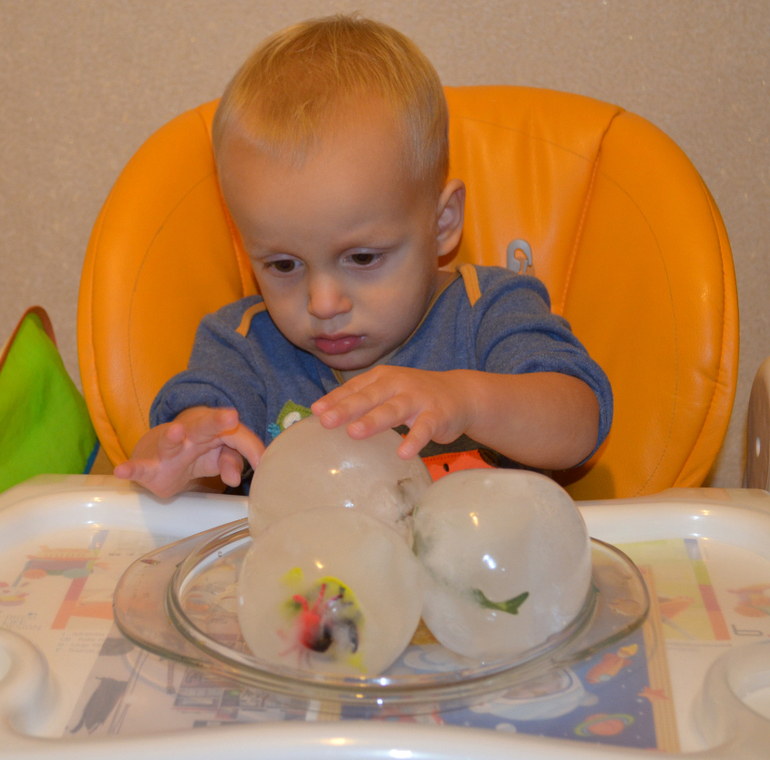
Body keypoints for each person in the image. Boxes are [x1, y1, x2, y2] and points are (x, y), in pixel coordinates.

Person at [114, 14, 612, 498]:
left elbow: (580, 424)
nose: (324, 303)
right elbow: (180, 437)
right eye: (283, 265)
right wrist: (181, 457)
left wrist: (466, 399)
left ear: (442, 223)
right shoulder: (243, 346)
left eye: (363, 258)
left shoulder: (489, 310)